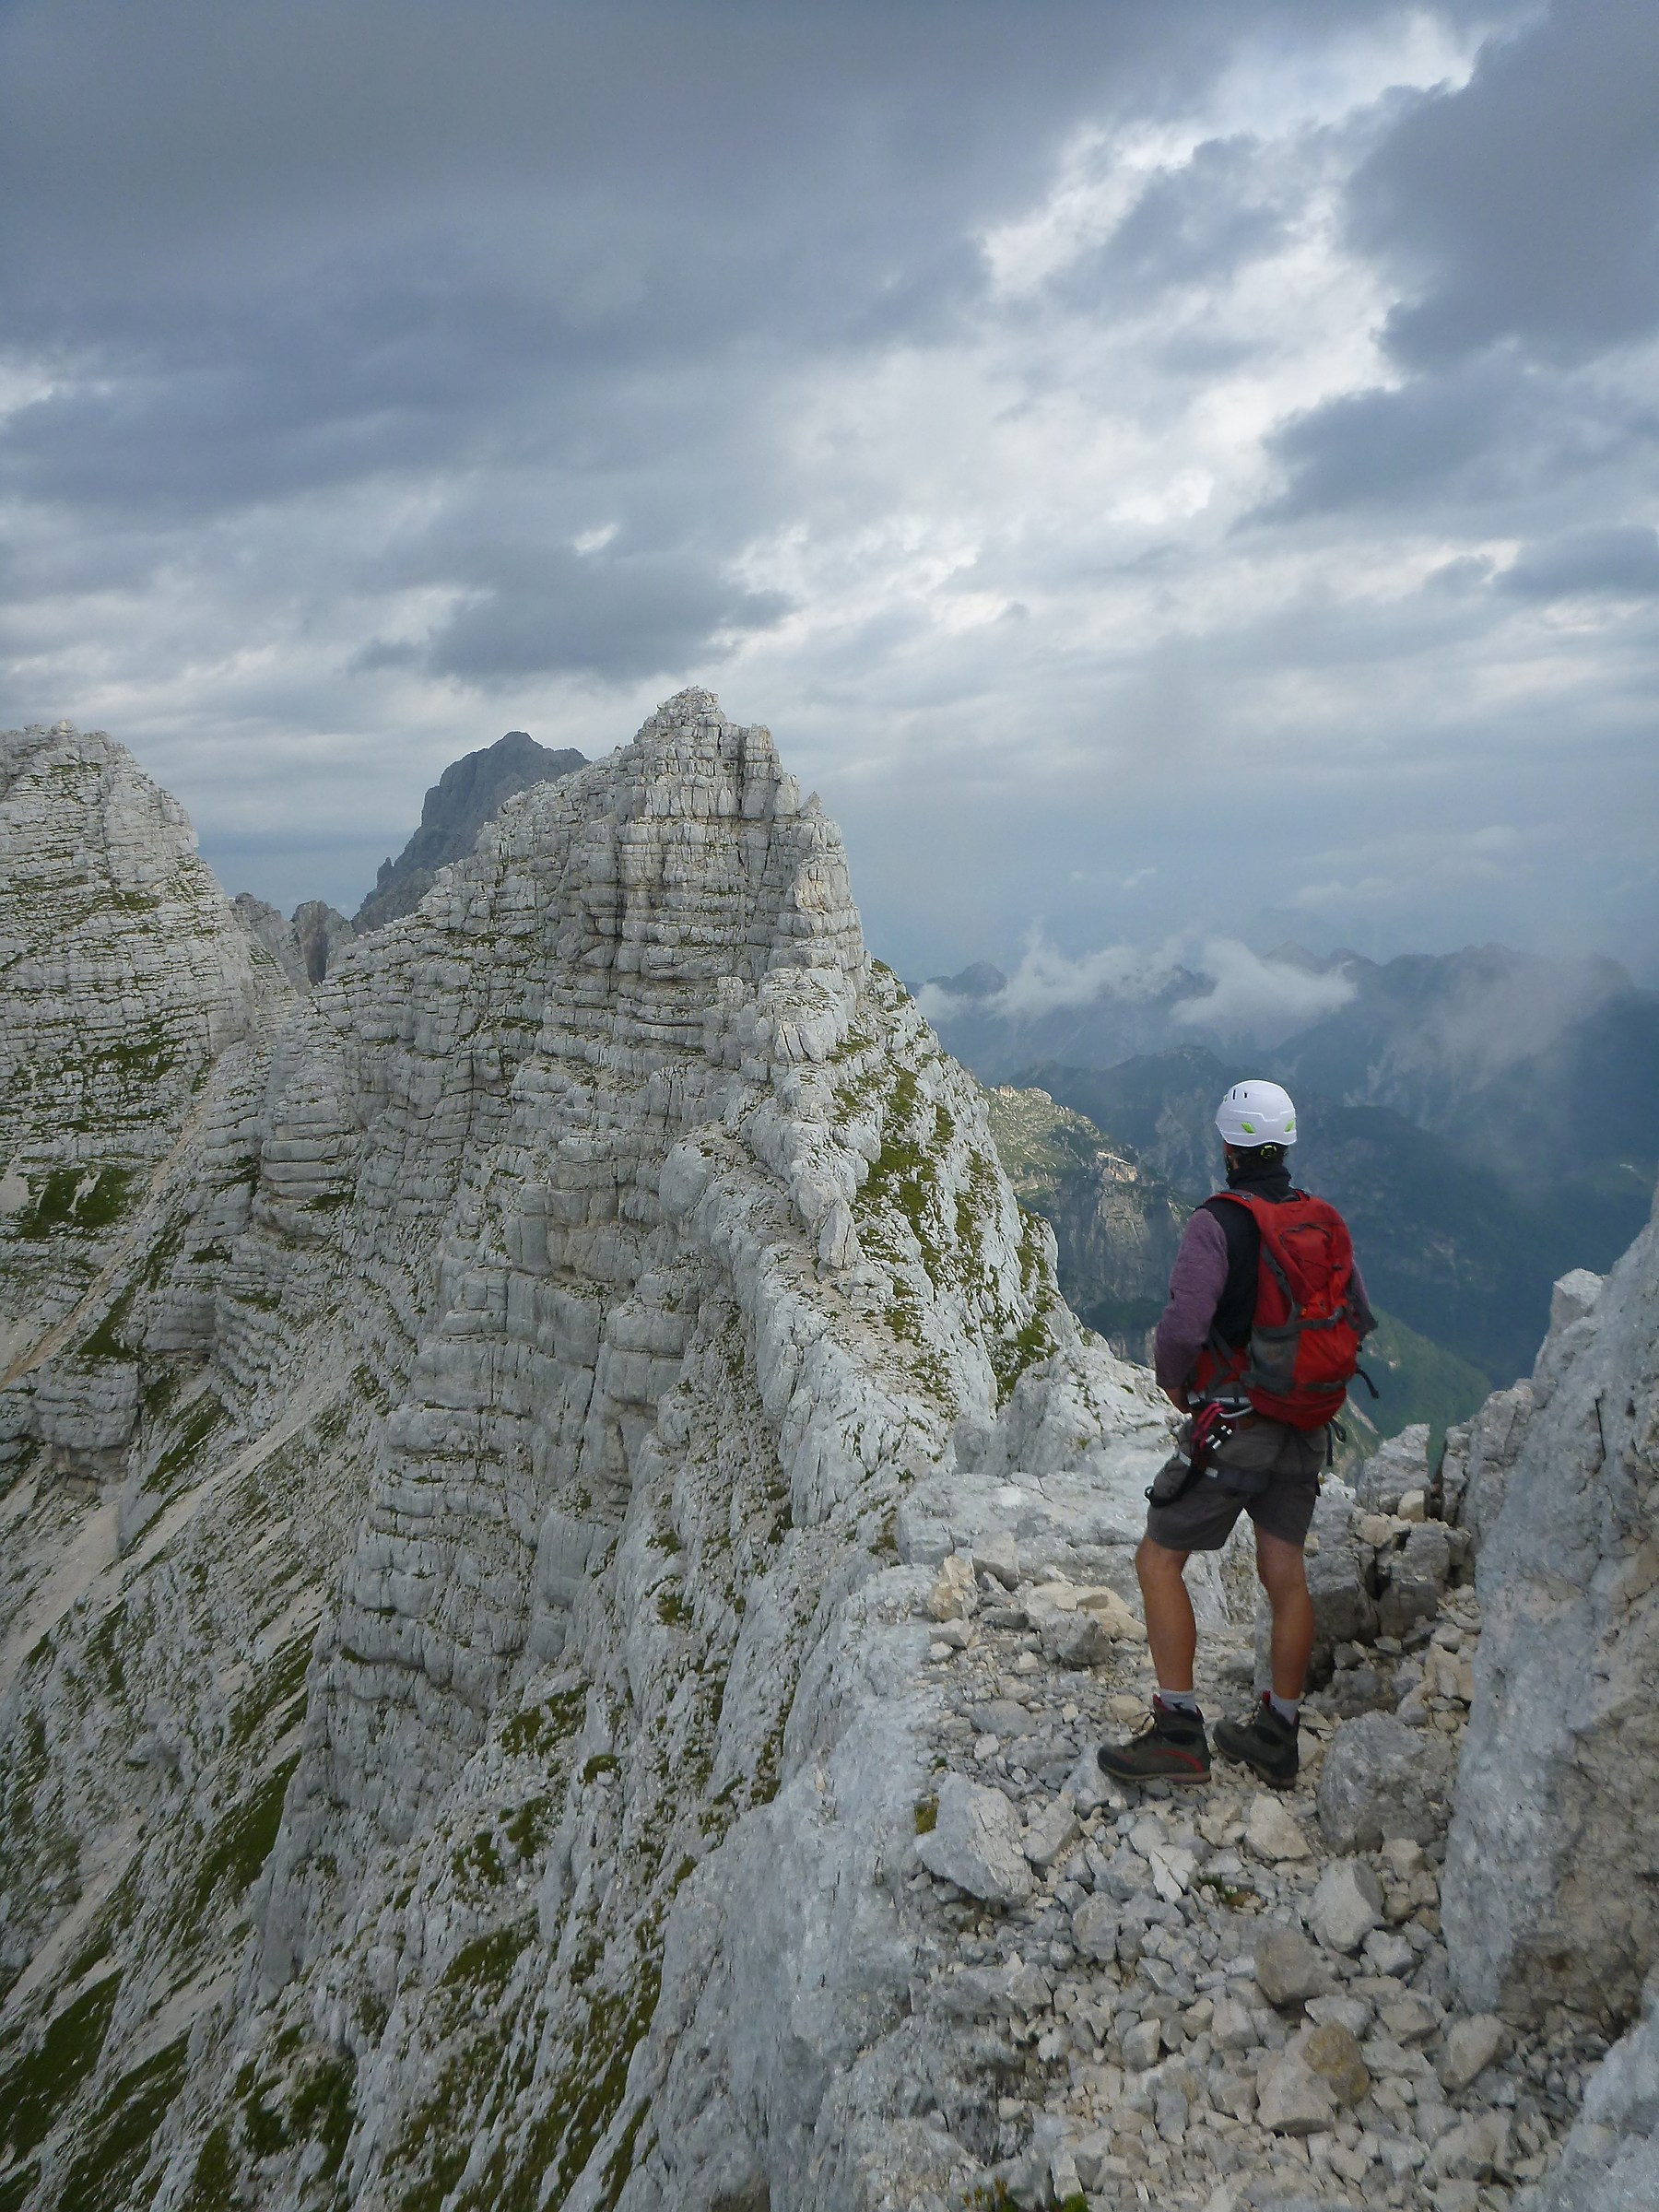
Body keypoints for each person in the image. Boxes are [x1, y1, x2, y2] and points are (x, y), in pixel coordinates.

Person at [1098, 1079, 1372, 1791]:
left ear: (1228, 1147)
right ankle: (1277, 1732)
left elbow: (1184, 1327)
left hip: (1236, 1427)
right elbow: (1357, 1316)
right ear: (1285, 1144)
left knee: (1159, 1560)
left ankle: (1179, 1728)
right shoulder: (1324, 1220)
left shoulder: (1216, 1224)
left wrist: (1177, 1386)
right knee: (1285, 1573)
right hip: (1308, 1429)